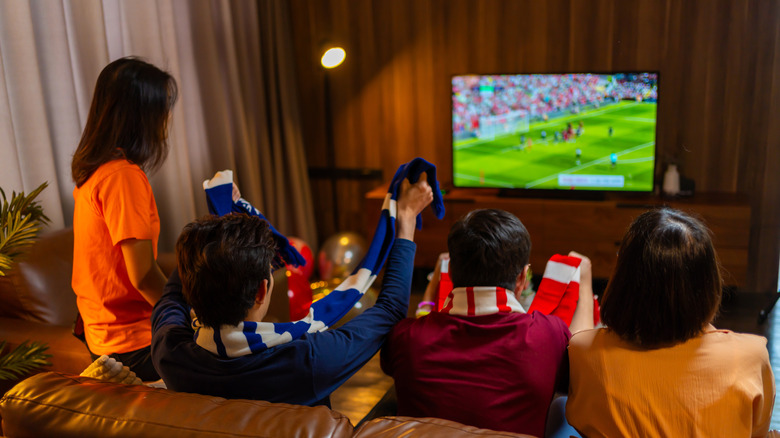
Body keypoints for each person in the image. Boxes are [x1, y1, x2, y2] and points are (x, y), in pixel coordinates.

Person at [150, 176, 433, 406]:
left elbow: (174, 294)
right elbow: (390, 310)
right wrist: (406, 219)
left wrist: (216, 233)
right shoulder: (308, 361)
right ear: (262, 290)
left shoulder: (170, 350)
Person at [381, 209, 594, 437]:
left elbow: (418, 328)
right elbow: (584, 361)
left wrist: (433, 285)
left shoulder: (405, 337)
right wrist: (585, 281)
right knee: (562, 408)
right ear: (522, 278)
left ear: (450, 272)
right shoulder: (547, 334)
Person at [566, 208, 775, 437]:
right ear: (709, 283)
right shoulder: (750, 357)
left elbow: (579, 340)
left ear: (623, 279)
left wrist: (584, 285)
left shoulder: (584, 351)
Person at [71, 57, 177, 381]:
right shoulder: (123, 176)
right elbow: (143, 275)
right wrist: (187, 316)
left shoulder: (95, 171)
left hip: (101, 332)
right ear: (142, 117)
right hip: (132, 342)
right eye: (162, 111)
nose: (166, 121)